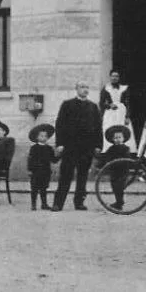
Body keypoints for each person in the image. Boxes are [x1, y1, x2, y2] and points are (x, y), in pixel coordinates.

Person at [51, 81, 101, 211]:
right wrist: (60, 144)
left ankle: (79, 202)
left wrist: (98, 145)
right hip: (70, 147)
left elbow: (98, 128)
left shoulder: (93, 107)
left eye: (87, 87)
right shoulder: (67, 105)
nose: (85, 90)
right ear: (76, 89)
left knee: (83, 176)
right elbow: (60, 125)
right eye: (82, 87)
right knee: (65, 175)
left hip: (87, 148)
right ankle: (58, 203)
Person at [27, 123, 56, 210]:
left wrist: (60, 154)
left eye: (45, 136)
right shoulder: (34, 148)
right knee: (34, 188)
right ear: (37, 137)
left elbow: (53, 159)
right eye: (41, 136)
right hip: (36, 171)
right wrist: (30, 170)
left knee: (44, 188)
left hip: (45, 171)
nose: (43, 137)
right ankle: (33, 204)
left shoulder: (49, 148)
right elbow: (30, 159)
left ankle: (44, 204)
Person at [100, 70, 129, 152]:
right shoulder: (106, 88)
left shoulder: (124, 88)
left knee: (122, 129)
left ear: (119, 78)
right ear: (110, 77)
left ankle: (123, 150)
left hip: (121, 112)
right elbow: (101, 103)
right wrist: (109, 105)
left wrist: (127, 116)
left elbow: (128, 103)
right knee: (109, 129)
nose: (114, 78)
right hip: (110, 113)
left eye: (116, 76)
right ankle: (108, 150)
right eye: (113, 76)